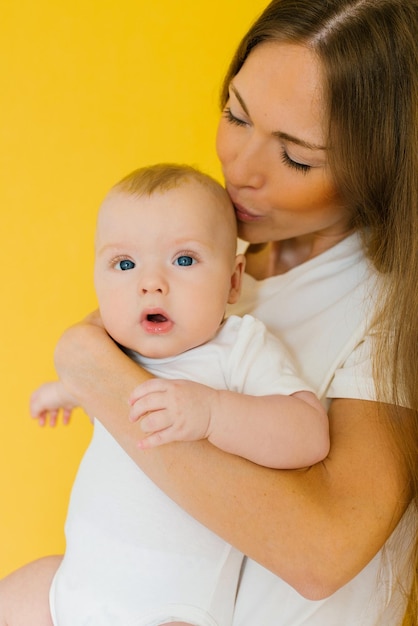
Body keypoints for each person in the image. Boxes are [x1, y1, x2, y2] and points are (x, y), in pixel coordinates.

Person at [1, 1, 417, 625]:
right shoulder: (209, 251)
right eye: (236, 115)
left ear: (382, 168)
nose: (240, 169)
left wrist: (93, 369)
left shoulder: (389, 308)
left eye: (296, 157)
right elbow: (112, 333)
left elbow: (322, 551)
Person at [3, 163, 328, 626]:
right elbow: (111, 399)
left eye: (183, 260)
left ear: (234, 280)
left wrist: (213, 413)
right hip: (74, 586)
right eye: (125, 264)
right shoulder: (115, 354)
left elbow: (308, 433)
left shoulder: (237, 349)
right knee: (18, 594)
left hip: (170, 610)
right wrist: (69, 391)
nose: (150, 283)